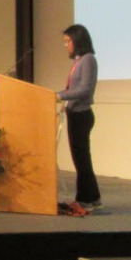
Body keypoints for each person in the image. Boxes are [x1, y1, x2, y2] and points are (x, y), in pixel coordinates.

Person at [57, 23, 101, 210]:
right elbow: (73, 89)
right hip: (74, 114)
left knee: (82, 159)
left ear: (78, 40)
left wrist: (60, 96)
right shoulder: (78, 60)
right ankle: (92, 197)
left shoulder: (88, 60)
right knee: (80, 159)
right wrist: (57, 95)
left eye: (68, 41)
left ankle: (86, 199)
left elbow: (85, 90)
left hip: (82, 115)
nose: (66, 45)